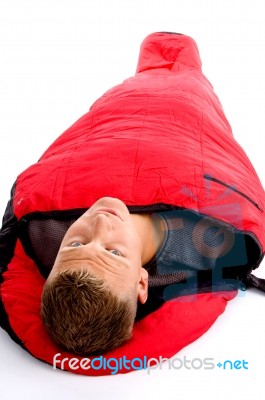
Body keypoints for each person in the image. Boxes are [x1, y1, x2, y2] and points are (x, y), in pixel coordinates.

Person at [1, 32, 264, 360]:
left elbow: (26, 199)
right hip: (189, 107)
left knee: (148, 69)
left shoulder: (40, 231)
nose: (100, 224)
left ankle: (155, 59)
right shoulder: (207, 246)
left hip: (124, 104)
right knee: (189, 79)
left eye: (76, 244)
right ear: (142, 284)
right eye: (113, 253)